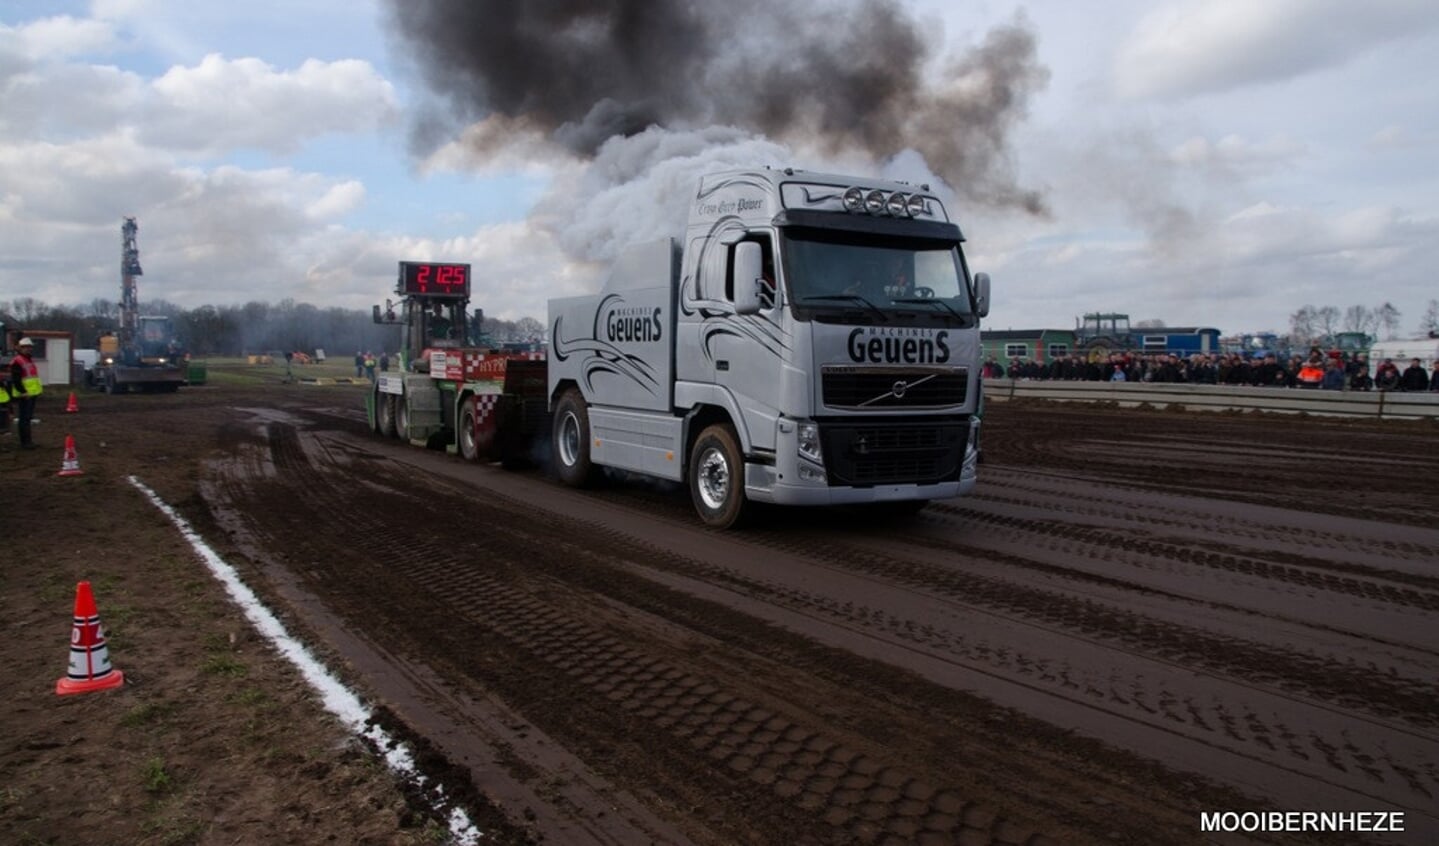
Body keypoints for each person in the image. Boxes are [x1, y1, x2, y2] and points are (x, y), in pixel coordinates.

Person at [9, 337, 42, 450]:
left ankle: (28, 441)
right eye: (26, 347)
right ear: (20, 348)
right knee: (24, 419)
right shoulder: (18, 361)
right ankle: (25, 443)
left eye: (30, 347)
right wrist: (23, 392)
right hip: (25, 394)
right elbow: (16, 379)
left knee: (27, 418)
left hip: (31, 393)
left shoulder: (27, 360)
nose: (29, 349)